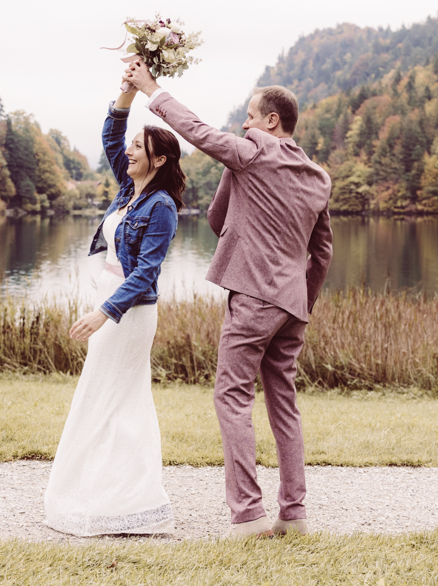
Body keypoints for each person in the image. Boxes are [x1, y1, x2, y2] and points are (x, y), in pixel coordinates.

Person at [123, 60, 332, 539]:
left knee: (232, 396)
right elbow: (321, 251)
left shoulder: (253, 153)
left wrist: (151, 87)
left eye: (251, 116)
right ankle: (294, 515)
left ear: (271, 122)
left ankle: (248, 516)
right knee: (284, 404)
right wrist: (303, 302)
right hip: (292, 305)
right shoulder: (317, 178)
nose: (244, 124)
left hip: (255, 296)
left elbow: (195, 131)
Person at [42, 78, 185, 536]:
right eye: (131, 146)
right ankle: (104, 490)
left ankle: (129, 499)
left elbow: (146, 273)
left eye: (139, 147)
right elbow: (110, 136)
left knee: (117, 398)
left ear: (159, 159)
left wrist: (105, 311)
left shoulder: (161, 206)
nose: (129, 151)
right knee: (104, 396)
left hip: (129, 312)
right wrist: (127, 91)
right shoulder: (130, 190)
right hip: (109, 303)